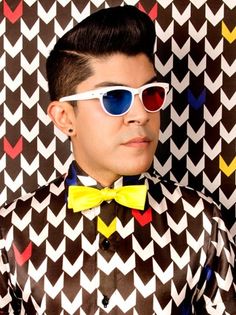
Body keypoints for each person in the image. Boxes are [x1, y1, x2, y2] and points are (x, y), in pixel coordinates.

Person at [0, 5, 235, 315]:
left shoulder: (202, 222)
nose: (141, 115)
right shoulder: (12, 229)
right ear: (63, 117)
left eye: (150, 94)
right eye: (114, 98)